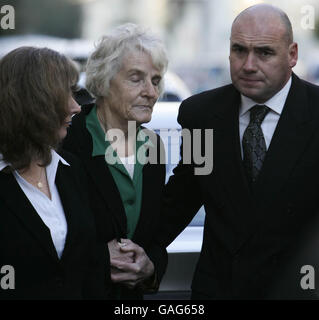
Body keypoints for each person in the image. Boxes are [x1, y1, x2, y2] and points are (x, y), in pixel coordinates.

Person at [156, 4, 319, 299]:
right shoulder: (201, 114)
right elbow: (180, 199)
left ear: (292, 54)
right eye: (239, 50)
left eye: (265, 53)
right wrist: (139, 251)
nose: (248, 65)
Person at [63, 23, 168, 299]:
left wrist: (151, 266)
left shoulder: (154, 147)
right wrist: (98, 258)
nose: (151, 92)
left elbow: (155, 237)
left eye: (155, 80)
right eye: (136, 78)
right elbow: (42, 239)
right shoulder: (65, 141)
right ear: (104, 80)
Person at [0, 47, 109, 300]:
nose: (77, 107)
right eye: (65, 95)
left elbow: (84, 268)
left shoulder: (71, 170)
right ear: (33, 102)